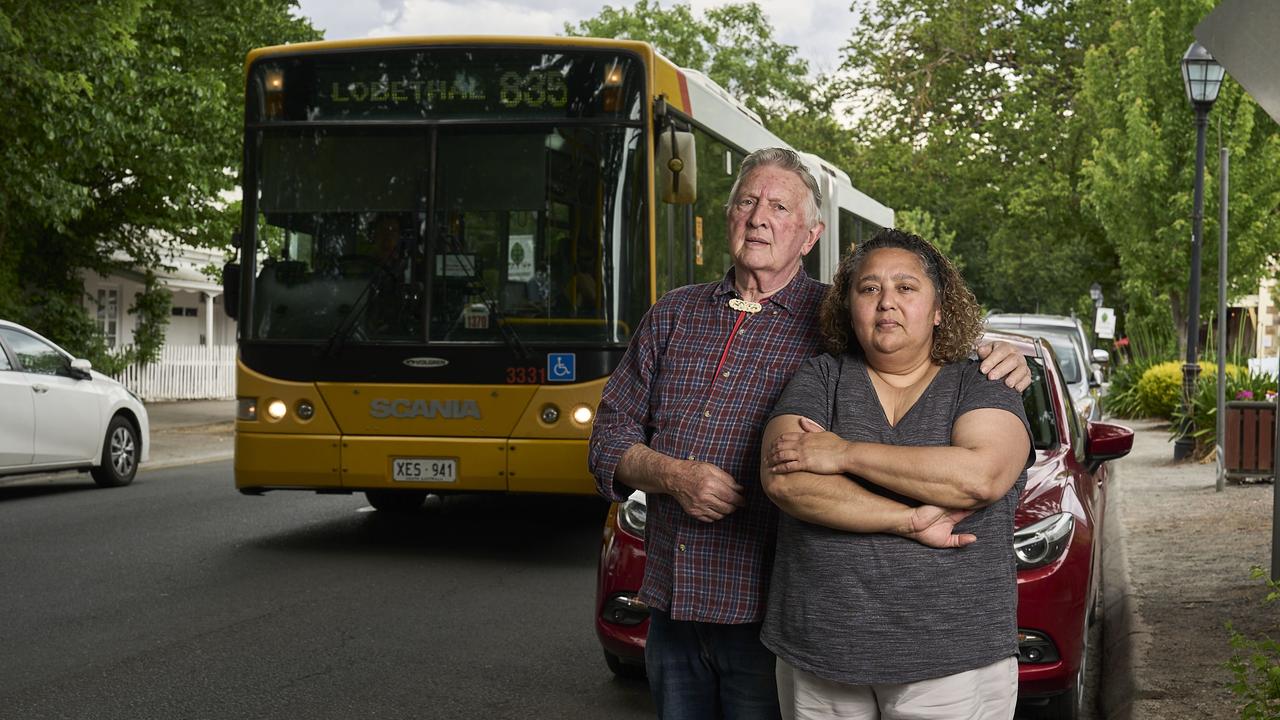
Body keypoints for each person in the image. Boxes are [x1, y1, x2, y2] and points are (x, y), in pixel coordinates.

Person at [587, 147, 1030, 720]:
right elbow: (607, 437)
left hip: (769, 606)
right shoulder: (674, 314)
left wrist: (997, 352)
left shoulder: (836, 322)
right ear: (728, 216)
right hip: (676, 601)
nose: (758, 217)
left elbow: (914, 339)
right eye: (747, 201)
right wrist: (675, 475)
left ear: (811, 234)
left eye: (779, 206)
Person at [759, 228, 1034, 719]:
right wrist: (906, 520)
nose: (887, 302)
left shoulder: (983, 382)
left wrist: (842, 454)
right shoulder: (821, 377)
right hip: (821, 649)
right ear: (850, 307)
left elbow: (979, 476)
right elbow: (786, 479)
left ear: (939, 309)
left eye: (906, 288)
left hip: (952, 658)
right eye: (869, 289)